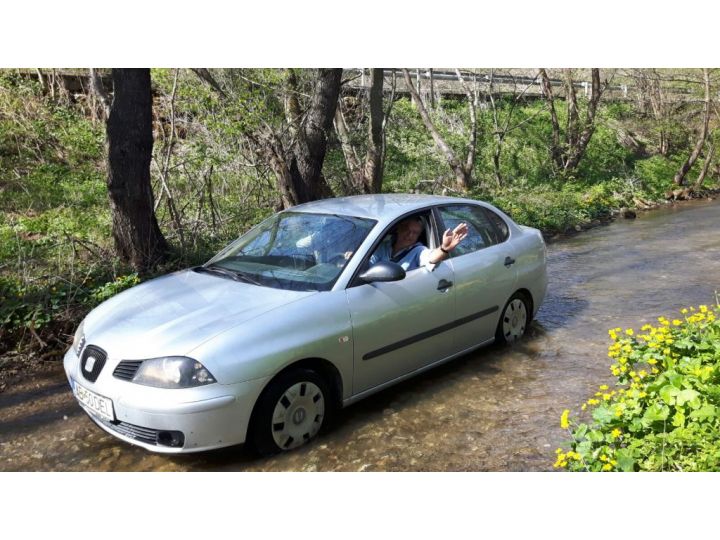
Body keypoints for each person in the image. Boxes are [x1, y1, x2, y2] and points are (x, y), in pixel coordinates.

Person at [370, 216, 468, 271]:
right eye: (406, 230)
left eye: (415, 233)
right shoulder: (384, 246)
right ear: (398, 229)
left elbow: (430, 258)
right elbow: (368, 264)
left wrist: (444, 248)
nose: (410, 235)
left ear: (418, 235)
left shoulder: (418, 251)